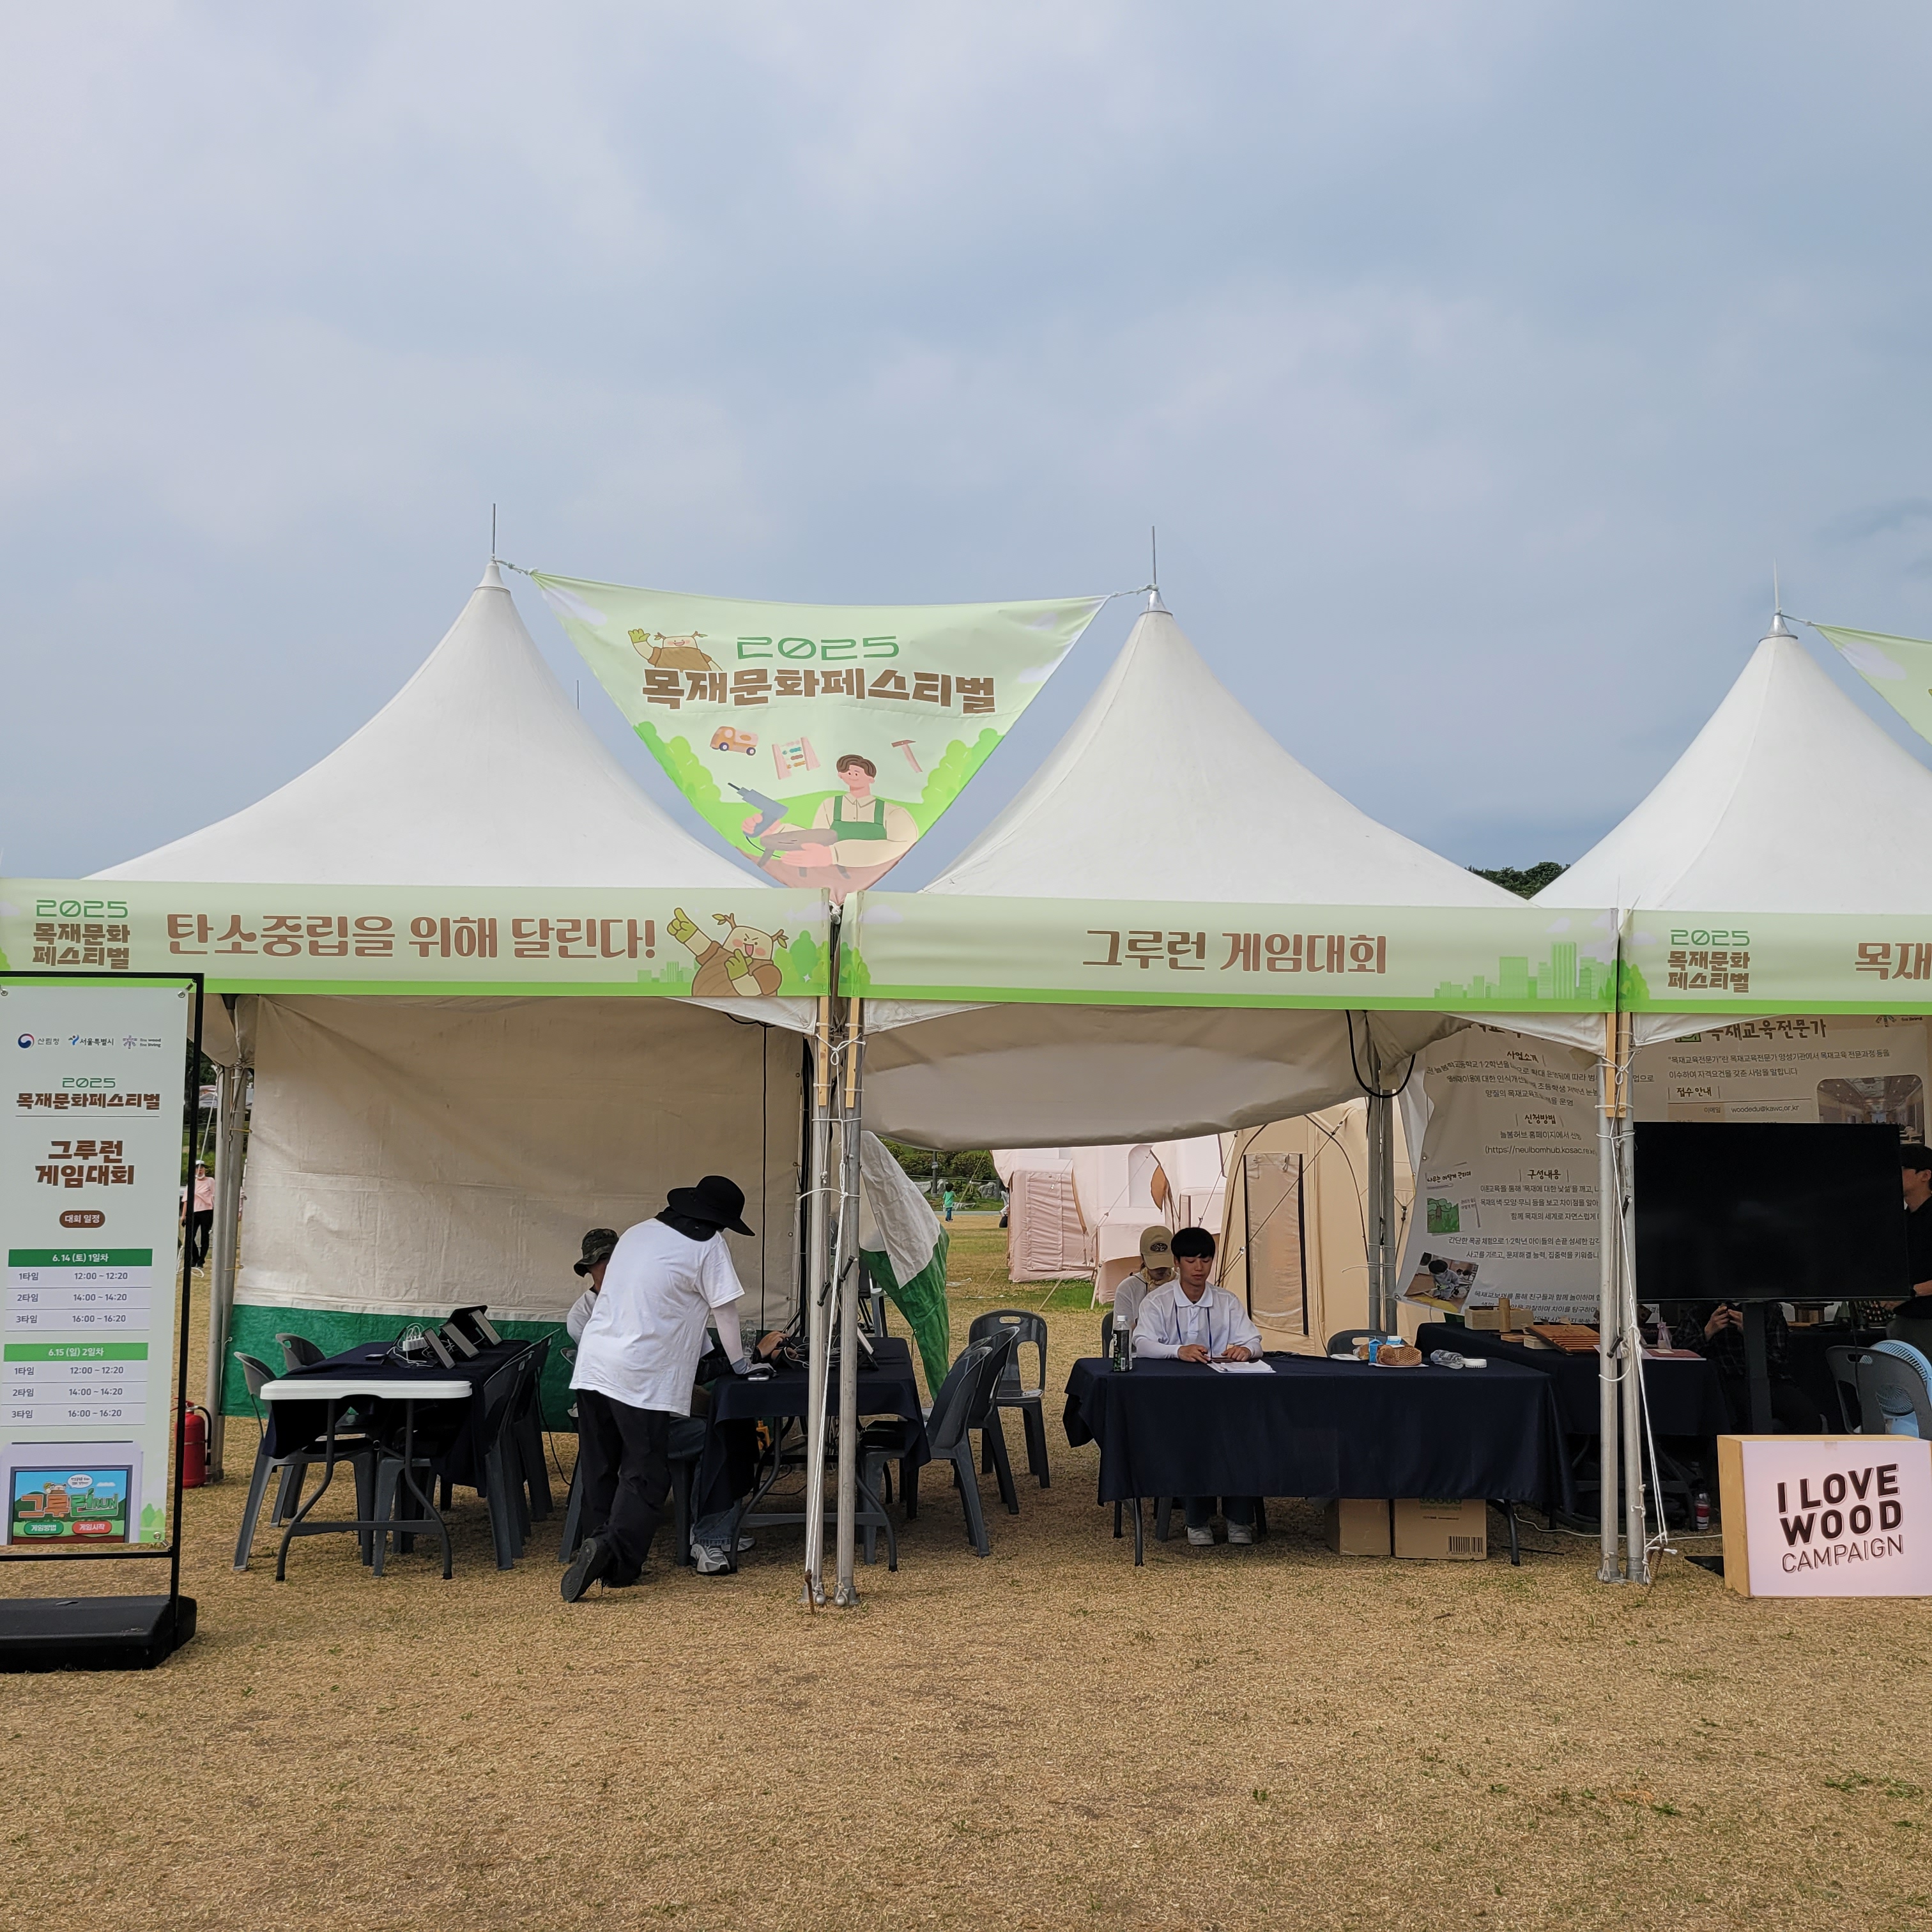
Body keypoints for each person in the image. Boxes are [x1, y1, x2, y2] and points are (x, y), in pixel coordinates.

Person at [565, 1176, 779, 1599]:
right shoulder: (708, 1245)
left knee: (600, 1465)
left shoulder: (638, 1233)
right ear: (718, 1222)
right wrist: (742, 1363)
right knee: (645, 1471)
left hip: (593, 1365)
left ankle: (596, 1542)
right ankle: (616, 1562)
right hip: (641, 1373)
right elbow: (725, 1312)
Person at [1130, 1226, 1265, 1545]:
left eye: (1205, 1260)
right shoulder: (1158, 1301)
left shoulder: (1226, 1301)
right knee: (1191, 1436)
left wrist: (1246, 1351)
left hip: (1225, 1396)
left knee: (1244, 1433)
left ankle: (1239, 1519)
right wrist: (1178, 1351)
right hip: (1176, 1398)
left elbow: (1255, 1341)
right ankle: (1197, 1519)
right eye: (1191, 1261)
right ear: (1177, 1263)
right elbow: (1142, 1343)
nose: (1199, 1268)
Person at [1671, 1297, 1823, 1434]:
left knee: (1808, 1417)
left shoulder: (1769, 1310)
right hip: (1722, 1383)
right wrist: (1708, 1332)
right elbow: (1679, 1355)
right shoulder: (1699, 1311)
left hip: (1771, 1381)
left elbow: (1779, 1359)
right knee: (1735, 1415)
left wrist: (1753, 1333)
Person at [1892, 1146, 1932, 1338]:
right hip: (1903, 1319)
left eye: (1901, 1169)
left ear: (1925, 1175)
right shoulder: (1902, 1220)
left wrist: (1911, 1292)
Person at [1110, 1226, 1176, 1341]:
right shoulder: (1128, 1288)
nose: (1161, 1269)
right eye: (1155, 1265)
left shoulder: (1183, 1285)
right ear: (1143, 1259)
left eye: (1165, 1263)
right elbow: (1122, 1338)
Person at [180, 1160, 215, 1268]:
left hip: (207, 1211)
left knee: (205, 1236)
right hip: (194, 1212)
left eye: (202, 1168)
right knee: (190, 1236)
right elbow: (186, 1200)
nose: (200, 1170)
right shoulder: (192, 1183)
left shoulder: (210, 1181)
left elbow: (215, 1195)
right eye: (197, 1168)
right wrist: (183, 1216)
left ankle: (201, 1261)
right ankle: (195, 1258)